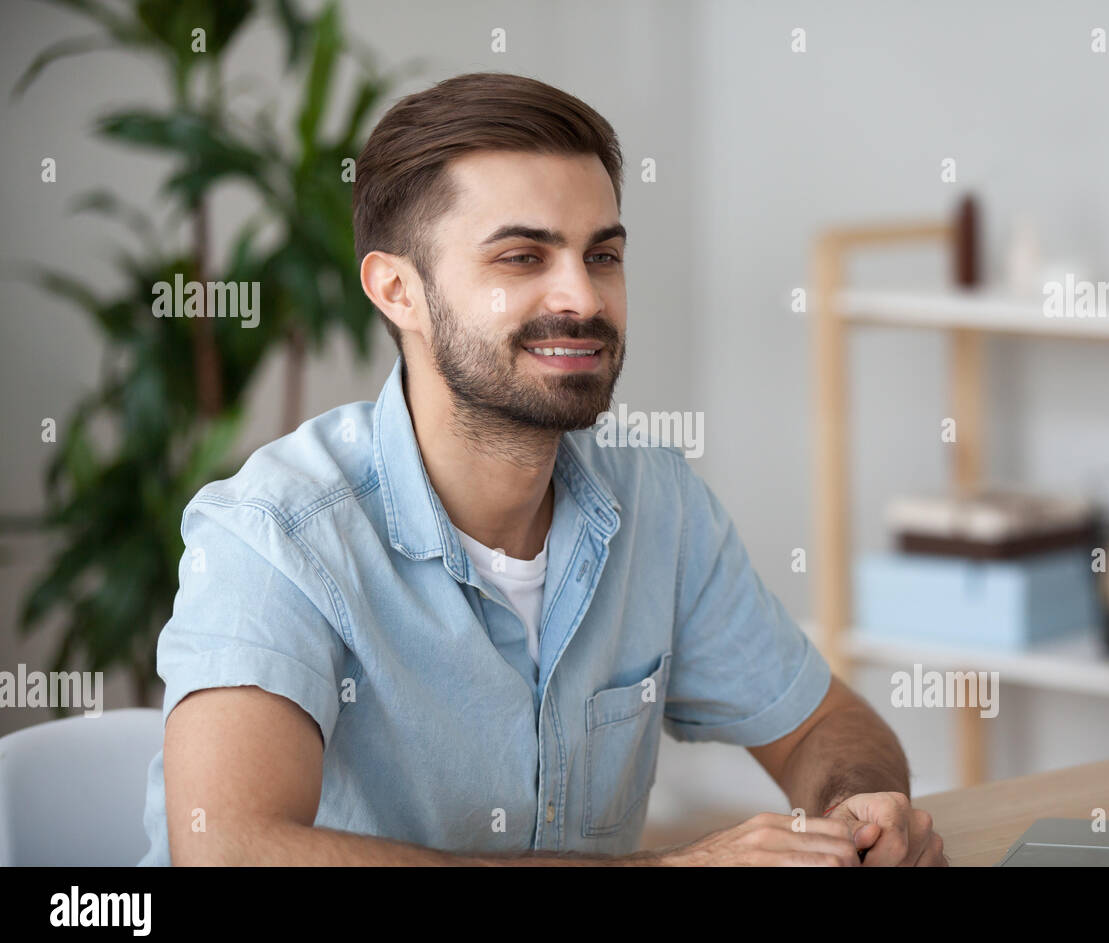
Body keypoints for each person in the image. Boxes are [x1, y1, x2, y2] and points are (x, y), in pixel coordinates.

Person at [138, 71, 945, 867]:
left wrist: (859, 809)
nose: (583, 299)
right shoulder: (276, 533)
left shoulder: (652, 498)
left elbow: (818, 724)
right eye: (523, 257)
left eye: (602, 255)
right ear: (397, 291)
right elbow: (230, 854)